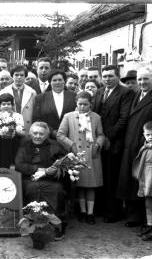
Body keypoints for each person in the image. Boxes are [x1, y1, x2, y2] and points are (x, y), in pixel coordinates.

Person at [117, 67, 152, 228]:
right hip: (130, 144)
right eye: (139, 79)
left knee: (143, 182)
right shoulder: (136, 95)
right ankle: (134, 215)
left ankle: (142, 219)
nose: (142, 82)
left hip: (146, 147)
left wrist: (144, 141)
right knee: (131, 179)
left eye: (145, 79)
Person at [93, 65, 134, 223]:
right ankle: (100, 208)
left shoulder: (126, 93)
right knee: (99, 174)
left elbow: (124, 118)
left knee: (111, 177)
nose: (107, 79)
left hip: (113, 142)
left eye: (110, 76)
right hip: (98, 142)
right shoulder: (99, 92)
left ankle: (113, 212)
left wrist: (107, 137)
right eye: (104, 76)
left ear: (118, 76)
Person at [57, 91, 105, 225]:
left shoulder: (96, 117)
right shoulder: (69, 116)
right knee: (80, 186)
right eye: (80, 104)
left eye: (85, 104)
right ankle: (82, 211)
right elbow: (60, 135)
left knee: (91, 186)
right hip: (76, 154)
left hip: (92, 155)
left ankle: (90, 213)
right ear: (76, 104)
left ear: (91, 104)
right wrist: (71, 144)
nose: (82, 107)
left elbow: (101, 134)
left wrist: (98, 144)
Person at [15, 121, 68, 239]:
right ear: (30, 133)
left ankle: (56, 225)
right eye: (35, 133)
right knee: (32, 188)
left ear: (46, 135)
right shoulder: (24, 146)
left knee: (57, 189)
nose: (38, 136)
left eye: (41, 134)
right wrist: (37, 169)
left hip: (50, 179)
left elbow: (63, 163)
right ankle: (30, 224)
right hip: (30, 179)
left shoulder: (55, 146)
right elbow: (19, 164)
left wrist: (51, 170)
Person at [32, 70, 76, 139]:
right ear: (50, 82)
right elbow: (37, 119)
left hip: (70, 137)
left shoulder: (73, 96)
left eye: (60, 80)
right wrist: (53, 132)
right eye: (54, 80)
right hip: (48, 138)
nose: (57, 82)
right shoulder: (40, 98)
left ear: (64, 81)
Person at [0, 93, 25, 169]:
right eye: (3, 104)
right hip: (0, 146)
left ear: (12, 105)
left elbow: (22, 132)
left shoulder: (18, 116)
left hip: (14, 144)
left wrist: (13, 130)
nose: (6, 106)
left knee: (13, 165)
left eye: (8, 104)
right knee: (0, 165)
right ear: (0, 105)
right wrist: (1, 132)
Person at [0, 65, 36, 132]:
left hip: (27, 127)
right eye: (16, 75)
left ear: (25, 76)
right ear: (12, 76)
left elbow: (35, 113)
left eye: (22, 75)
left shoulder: (32, 92)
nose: (19, 77)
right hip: (9, 128)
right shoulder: (4, 91)